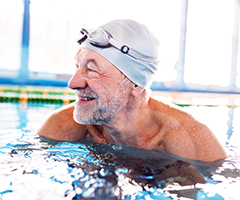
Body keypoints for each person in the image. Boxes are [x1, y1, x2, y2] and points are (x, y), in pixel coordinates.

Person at [37, 19, 227, 162]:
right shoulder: (62, 125)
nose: (73, 83)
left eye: (92, 70)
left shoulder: (190, 141)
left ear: (136, 84)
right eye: (77, 66)